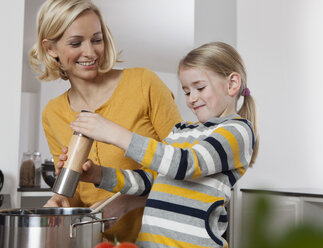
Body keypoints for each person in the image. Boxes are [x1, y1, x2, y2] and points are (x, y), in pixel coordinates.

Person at [60, 41, 259, 247]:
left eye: (199, 87)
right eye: (187, 91)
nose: (192, 99)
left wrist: (116, 134)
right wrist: (99, 175)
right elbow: (149, 180)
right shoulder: (181, 131)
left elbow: (185, 165)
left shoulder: (237, 131)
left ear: (232, 84)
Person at [29, 0, 182, 243]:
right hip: (100, 242)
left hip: (162, 239)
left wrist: (127, 202)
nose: (90, 52)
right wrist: (62, 201)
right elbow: (78, 195)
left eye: (97, 39)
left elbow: (186, 171)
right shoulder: (53, 113)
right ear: (51, 49)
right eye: (76, 43)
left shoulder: (144, 84)